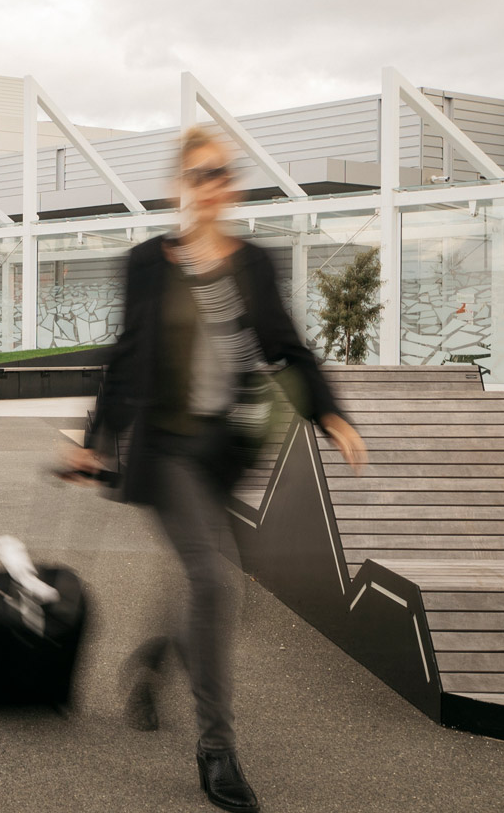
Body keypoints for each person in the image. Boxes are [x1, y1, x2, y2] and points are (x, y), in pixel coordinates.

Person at [68, 125, 368, 813]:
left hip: (226, 452)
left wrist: (333, 415)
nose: (216, 185)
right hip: (165, 448)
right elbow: (127, 353)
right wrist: (95, 441)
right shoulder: (150, 262)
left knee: (216, 587)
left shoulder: (253, 263)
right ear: (181, 187)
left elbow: (288, 349)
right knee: (214, 579)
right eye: (202, 175)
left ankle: (150, 664)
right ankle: (217, 749)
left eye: (225, 174)